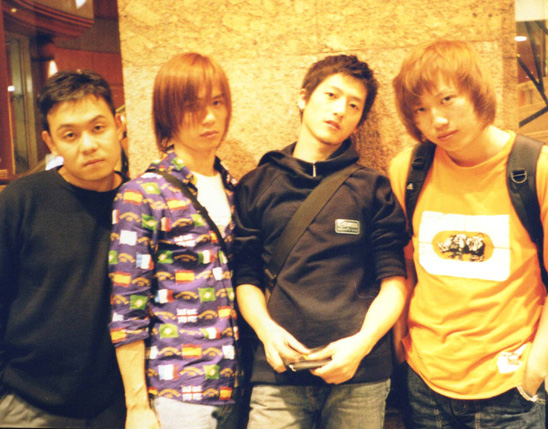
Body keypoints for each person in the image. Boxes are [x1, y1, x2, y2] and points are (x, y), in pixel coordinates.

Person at [233, 54, 409, 429]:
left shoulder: (373, 188)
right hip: (278, 374)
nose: (340, 110)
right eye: (331, 95)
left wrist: (361, 345)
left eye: (354, 105)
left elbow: (394, 283)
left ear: (359, 120)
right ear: (303, 97)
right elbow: (245, 276)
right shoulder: (257, 184)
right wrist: (266, 331)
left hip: (359, 374)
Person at [389, 39, 548, 428]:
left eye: (447, 99)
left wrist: (534, 371)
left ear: (476, 91)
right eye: (421, 109)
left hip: (510, 387)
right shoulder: (408, 170)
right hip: (425, 381)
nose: (437, 120)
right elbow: (404, 265)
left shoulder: (536, 169)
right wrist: (400, 343)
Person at [109, 52, 241, 429]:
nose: (209, 117)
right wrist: (137, 405)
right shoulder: (143, 194)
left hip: (238, 384)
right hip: (179, 389)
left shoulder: (235, 188)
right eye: (193, 106)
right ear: (167, 113)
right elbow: (127, 306)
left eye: (217, 102)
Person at [0, 70, 126, 427]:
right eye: (69, 135)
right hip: (27, 403)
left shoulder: (141, 203)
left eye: (98, 128)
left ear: (119, 126)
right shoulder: (22, 200)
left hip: (115, 408)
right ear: (50, 142)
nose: (87, 145)